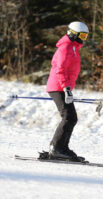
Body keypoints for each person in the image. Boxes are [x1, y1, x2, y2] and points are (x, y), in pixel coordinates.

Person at [41, 21, 89, 162]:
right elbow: (60, 69)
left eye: (85, 36)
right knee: (69, 117)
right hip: (58, 87)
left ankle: (62, 148)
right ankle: (57, 148)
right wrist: (66, 89)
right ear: (72, 34)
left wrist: (67, 88)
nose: (83, 39)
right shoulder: (66, 48)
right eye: (82, 36)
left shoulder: (73, 48)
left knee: (71, 118)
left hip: (62, 87)